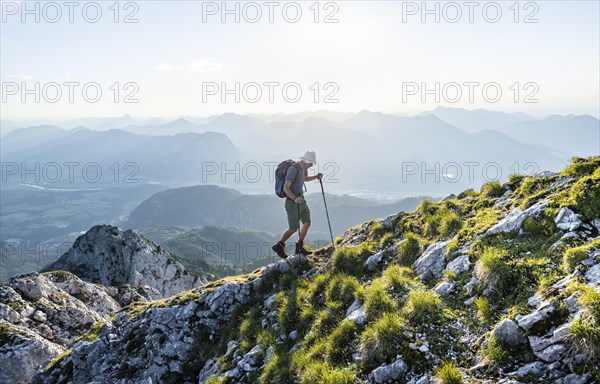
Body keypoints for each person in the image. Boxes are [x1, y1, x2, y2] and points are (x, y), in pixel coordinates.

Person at [272, 150, 323, 258]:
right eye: (310, 163)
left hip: (301, 200)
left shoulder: (303, 169)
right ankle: (279, 245)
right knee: (293, 228)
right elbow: (286, 187)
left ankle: (299, 246)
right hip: (292, 203)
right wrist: (295, 198)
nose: (311, 165)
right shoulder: (293, 169)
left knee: (307, 222)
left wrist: (316, 176)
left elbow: (304, 179)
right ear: (305, 161)